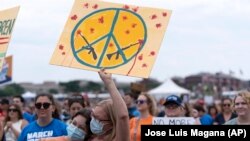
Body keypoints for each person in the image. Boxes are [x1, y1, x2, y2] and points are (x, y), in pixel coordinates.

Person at [90, 69, 129, 141]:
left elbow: (122, 116)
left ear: (111, 123)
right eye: (92, 116)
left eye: (97, 118)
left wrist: (109, 82)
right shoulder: (91, 138)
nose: (93, 121)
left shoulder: (118, 139)